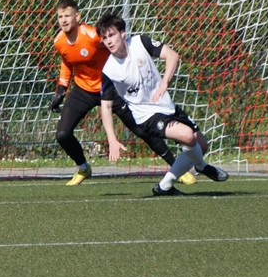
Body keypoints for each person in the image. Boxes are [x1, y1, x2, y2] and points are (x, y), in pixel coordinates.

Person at [49, 0, 195, 186]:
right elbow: (67, 62)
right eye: (60, 17)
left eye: (67, 16)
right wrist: (62, 89)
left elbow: (118, 46)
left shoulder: (93, 36)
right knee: (62, 134)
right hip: (83, 89)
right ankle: (83, 167)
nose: (63, 20)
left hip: (112, 87)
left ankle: (177, 168)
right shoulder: (58, 41)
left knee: (141, 128)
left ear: (77, 17)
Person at [95, 11, 229, 196]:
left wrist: (165, 83)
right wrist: (112, 139)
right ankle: (201, 166)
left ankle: (164, 186)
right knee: (188, 136)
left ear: (122, 33)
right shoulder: (109, 71)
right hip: (146, 116)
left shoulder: (140, 42)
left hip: (166, 105)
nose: (109, 41)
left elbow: (172, 55)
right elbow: (106, 106)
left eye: (112, 35)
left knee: (202, 145)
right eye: (104, 38)